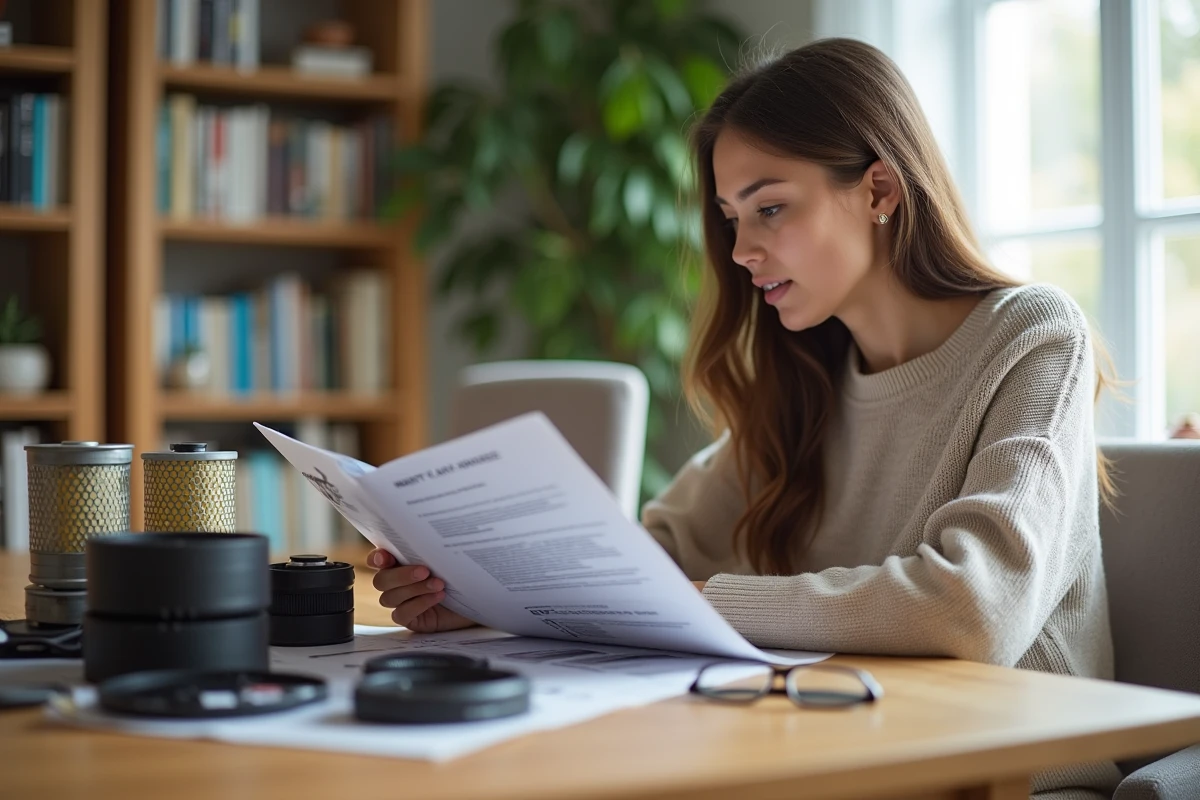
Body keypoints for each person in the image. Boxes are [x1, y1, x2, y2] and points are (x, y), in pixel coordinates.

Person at [368, 38, 1120, 799]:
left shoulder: (1033, 334)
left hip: (1009, 772)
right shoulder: (808, 377)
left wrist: (709, 600)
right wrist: (481, 599)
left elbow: (973, 608)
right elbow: (645, 556)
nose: (741, 251)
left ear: (880, 191)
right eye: (731, 218)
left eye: (771, 208)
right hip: (842, 752)